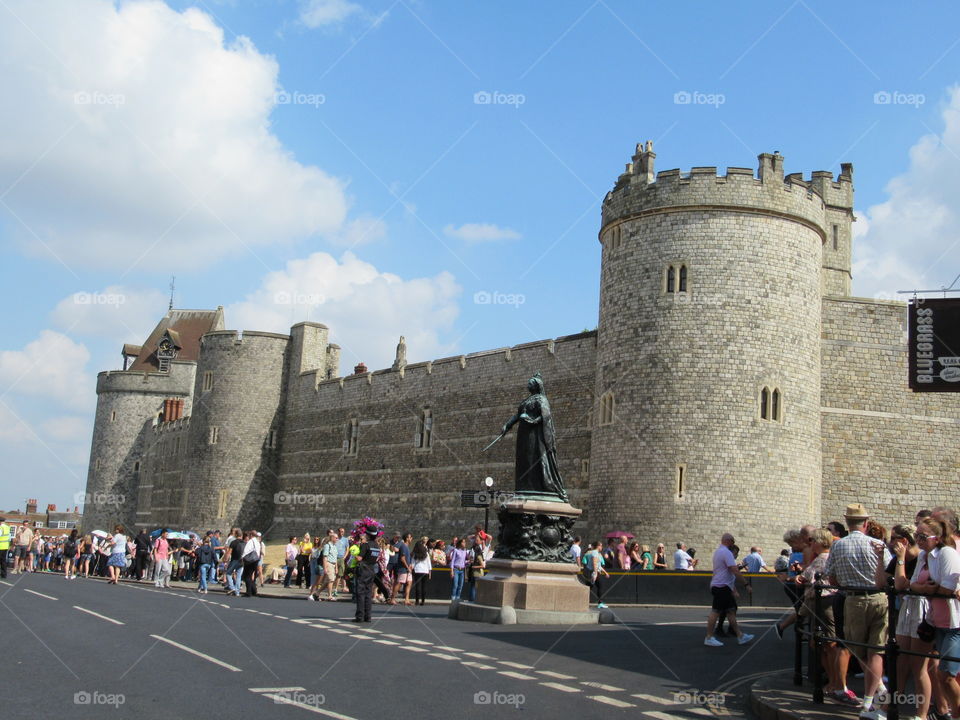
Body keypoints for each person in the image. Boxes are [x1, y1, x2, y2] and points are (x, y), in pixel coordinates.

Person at [824, 503, 892, 720]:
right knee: (876, 650)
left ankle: (874, 696)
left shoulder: (838, 546)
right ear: (865, 522)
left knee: (858, 649)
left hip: (852, 600)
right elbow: (888, 575)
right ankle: (873, 697)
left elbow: (831, 577)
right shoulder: (878, 543)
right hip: (879, 598)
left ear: (847, 522)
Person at [914, 516, 960, 719]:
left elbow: (946, 588)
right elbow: (912, 583)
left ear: (937, 538)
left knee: (946, 675)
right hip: (938, 620)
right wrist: (927, 587)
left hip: (954, 623)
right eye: (917, 535)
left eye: (922, 536)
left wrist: (928, 588)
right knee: (943, 678)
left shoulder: (947, 553)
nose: (918, 540)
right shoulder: (926, 555)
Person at [704, 533, 754, 647]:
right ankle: (709, 637)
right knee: (715, 611)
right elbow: (734, 570)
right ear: (729, 540)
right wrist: (746, 584)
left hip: (723, 586)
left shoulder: (718, 551)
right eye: (733, 541)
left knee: (731, 611)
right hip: (721, 587)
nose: (733, 544)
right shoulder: (726, 552)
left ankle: (740, 635)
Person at [354, 529, 382, 623]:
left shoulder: (366, 545)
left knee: (360, 593)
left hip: (363, 570)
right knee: (368, 593)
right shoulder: (377, 546)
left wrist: (354, 554)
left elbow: (360, 558)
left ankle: (360, 616)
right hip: (371, 570)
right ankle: (368, 616)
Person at [584, 541, 609, 609]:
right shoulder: (595, 553)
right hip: (594, 572)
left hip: (593, 572)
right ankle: (600, 603)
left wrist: (605, 572)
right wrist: (595, 574)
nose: (602, 547)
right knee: (600, 586)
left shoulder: (596, 553)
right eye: (601, 546)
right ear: (597, 546)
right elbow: (595, 563)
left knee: (590, 587)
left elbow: (598, 565)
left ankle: (584, 601)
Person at [393, 532, 414, 606]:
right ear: (407, 538)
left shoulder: (407, 547)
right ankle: (392, 598)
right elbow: (402, 558)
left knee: (409, 582)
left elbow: (408, 558)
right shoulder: (403, 546)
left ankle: (407, 599)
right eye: (410, 537)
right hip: (403, 568)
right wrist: (407, 567)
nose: (411, 539)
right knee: (400, 583)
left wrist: (410, 564)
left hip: (408, 568)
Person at [241, 530, 262, 597]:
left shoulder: (250, 541)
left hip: (250, 561)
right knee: (253, 576)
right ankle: (254, 590)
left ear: (251, 535)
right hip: (256, 560)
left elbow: (246, 551)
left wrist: (242, 557)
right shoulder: (257, 542)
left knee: (247, 576)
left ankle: (248, 592)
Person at [411, 540, 431, 606]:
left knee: (417, 586)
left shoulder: (415, 553)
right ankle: (423, 601)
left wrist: (411, 569)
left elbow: (413, 563)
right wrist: (429, 572)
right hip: (425, 571)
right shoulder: (426, 553)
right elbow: (429, 563)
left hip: (417, 570)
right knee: (424, 586)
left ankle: (417, 601)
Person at [466, 537, 486, 602]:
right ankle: (471, 599)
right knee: (472, 586)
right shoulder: (474, 556)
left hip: (478, 574)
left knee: (474, 587)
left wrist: (474, 567)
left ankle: (473, 599)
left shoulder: (479, 556)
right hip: (474, 573)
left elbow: (483, 566)